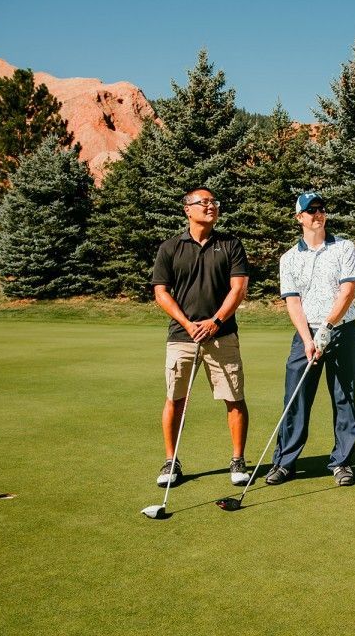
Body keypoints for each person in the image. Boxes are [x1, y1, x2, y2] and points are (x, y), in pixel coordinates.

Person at [150, 186, 251, 488]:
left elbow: (239, 289)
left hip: (222, 336)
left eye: (213, 202)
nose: (210, 207)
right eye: (203, 202)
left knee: (234, 398)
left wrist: (216, 321)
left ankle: (237, 459)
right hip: (182, 336)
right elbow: (161, 292)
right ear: (187, 209)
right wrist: (187, 322)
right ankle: (171, 461)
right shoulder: (170, 248)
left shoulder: (230, 244)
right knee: (175, 399)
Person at [265, 192, 355, 487]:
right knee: (296, 396)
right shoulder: (289, 258)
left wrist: (328, 327)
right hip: (306, 333)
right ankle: (285, 462)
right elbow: (293, 302)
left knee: (344, 396)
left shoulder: (345, 247)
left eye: (321, 210)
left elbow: (347, 291)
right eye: (311, 211)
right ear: (299, 218)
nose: (317, 215)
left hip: (342, 331)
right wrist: (309, 338)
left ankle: (342, 462)